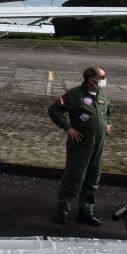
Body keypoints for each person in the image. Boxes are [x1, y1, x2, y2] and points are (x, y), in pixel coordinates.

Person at [48, 66, 113, 226]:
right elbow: (54, 110)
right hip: (80, 144)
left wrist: (108, 123)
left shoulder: (102, 94)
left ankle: (86, 211)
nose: (105, 80)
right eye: (102, 77)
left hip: (98, 144)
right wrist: (68, 128)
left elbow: (109, 110)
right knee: (74, 177)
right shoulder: (75, 94)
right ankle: (62, 211)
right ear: (91, 80)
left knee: (93, 178)